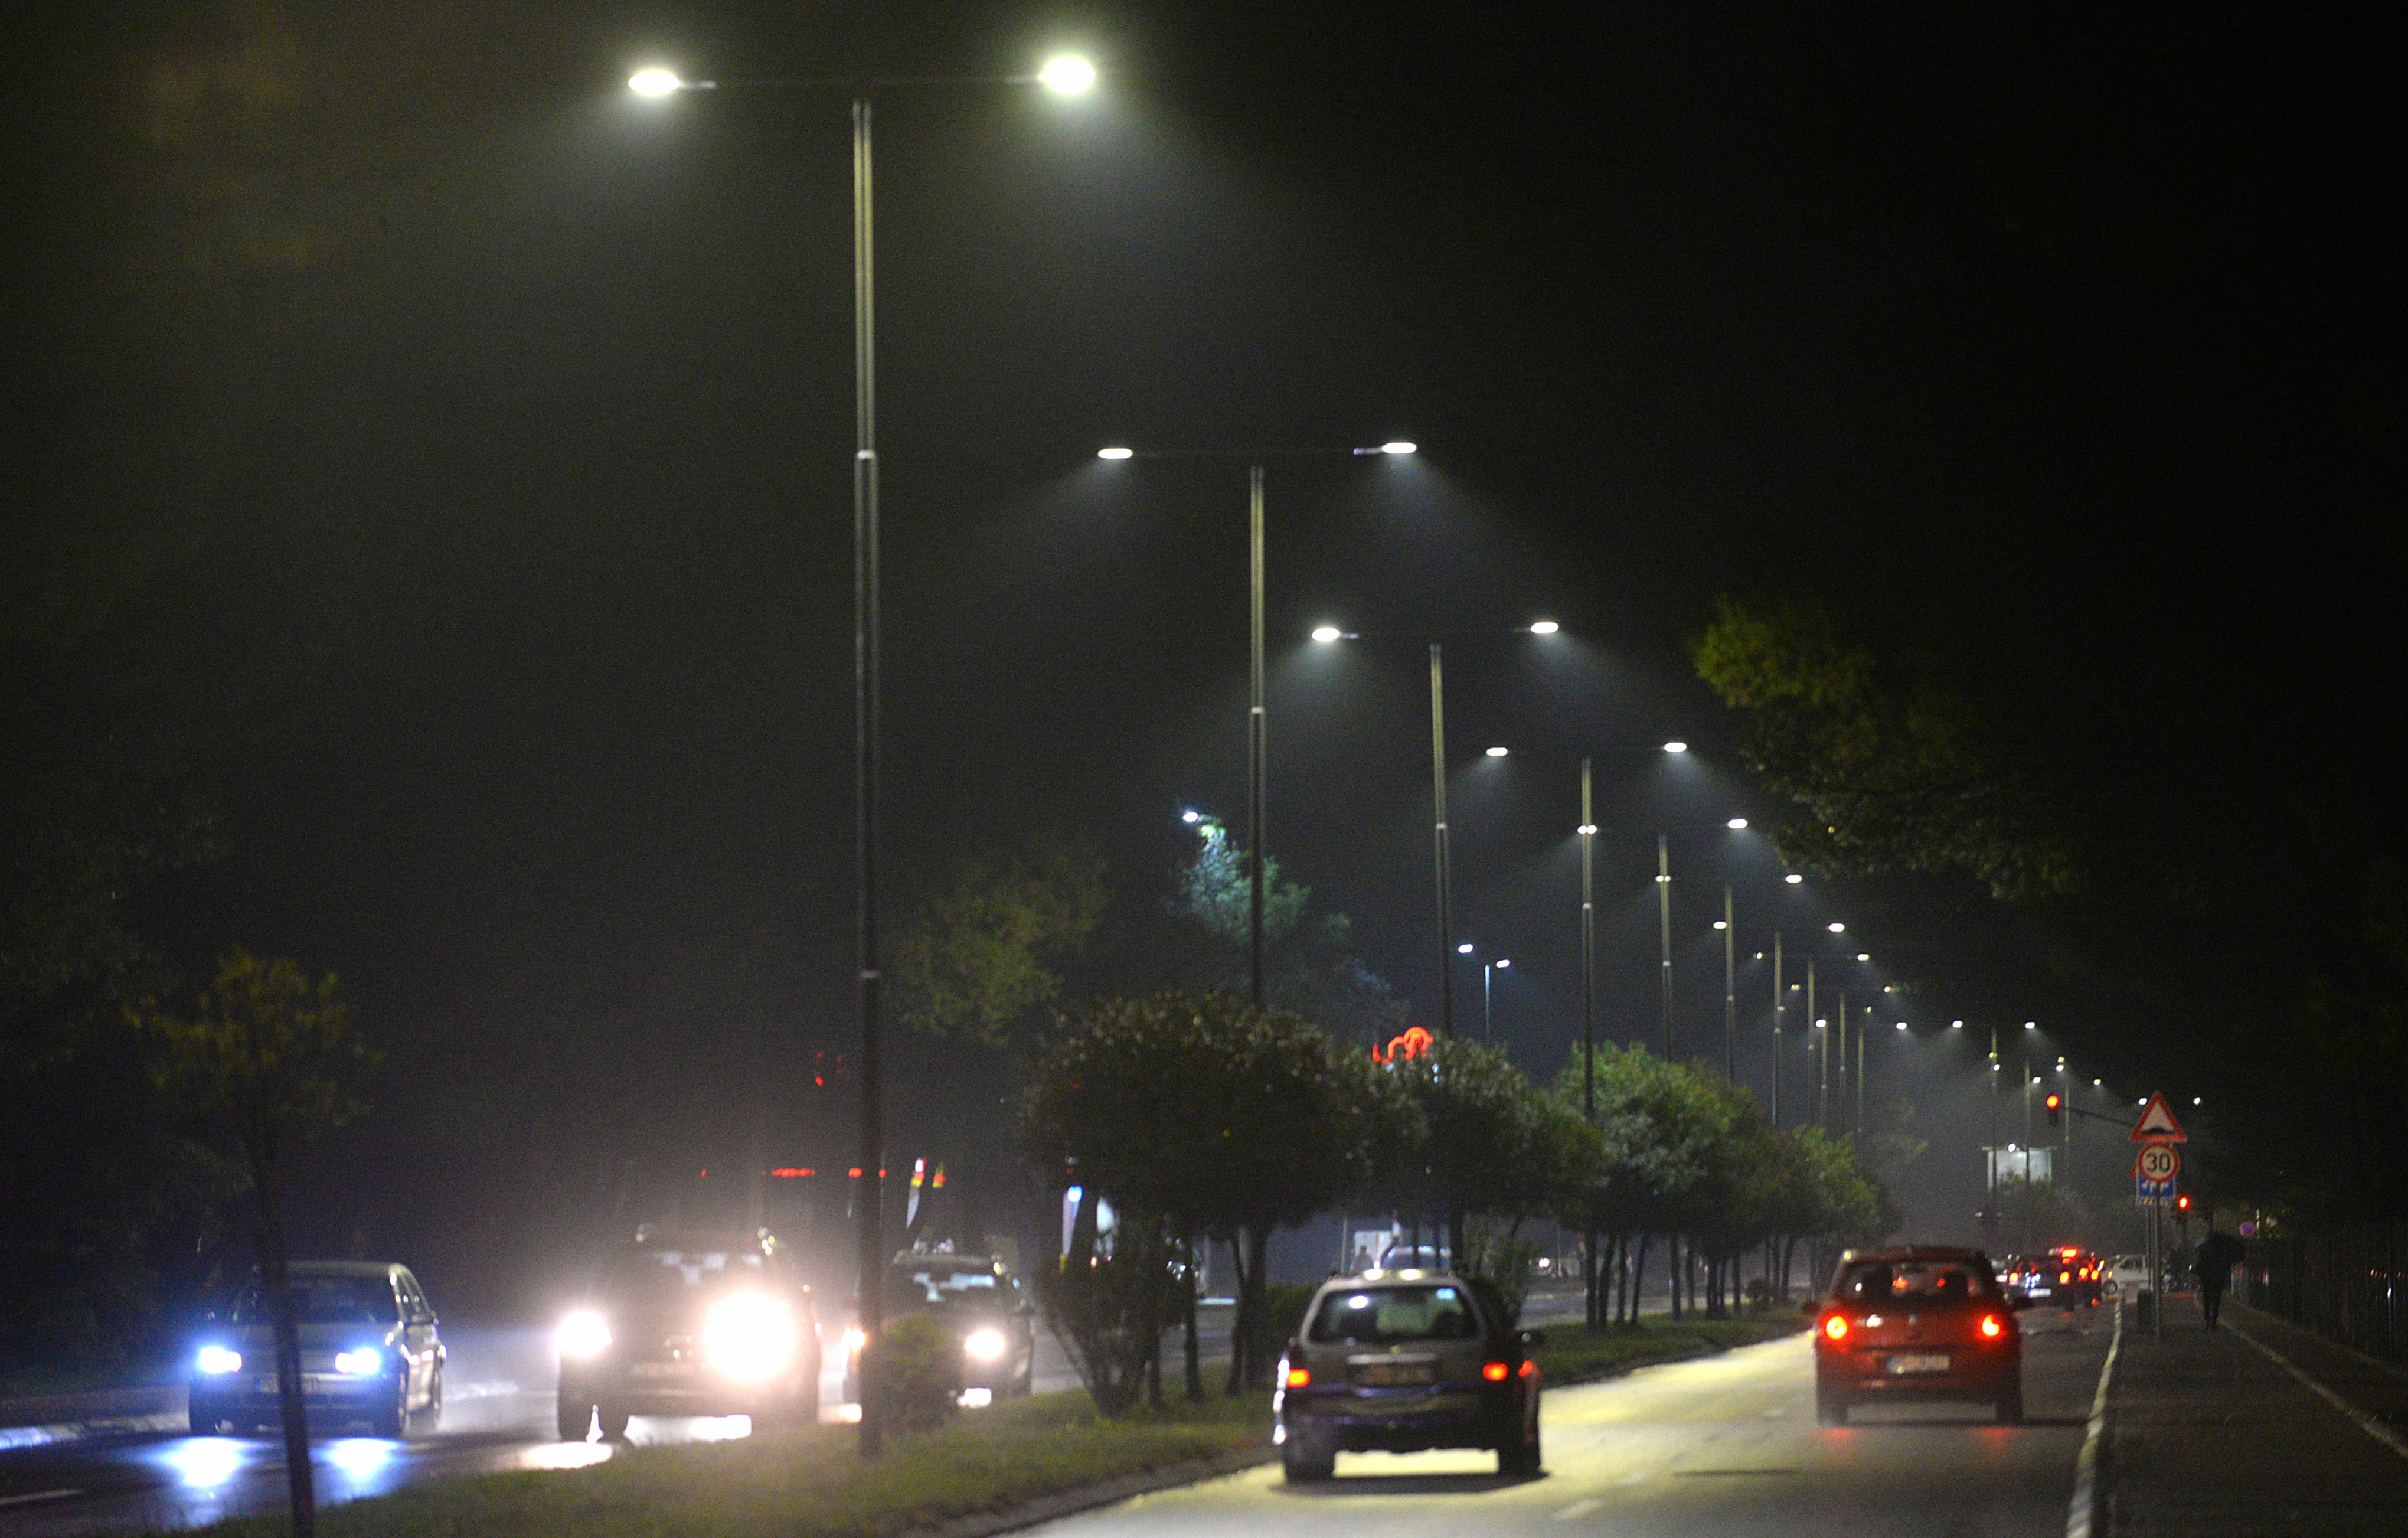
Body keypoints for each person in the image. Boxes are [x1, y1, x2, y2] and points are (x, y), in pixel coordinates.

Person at [2194, 1227, 2246, 1328]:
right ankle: (2214, 1320)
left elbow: (2199, 1264)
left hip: (2207, 1277)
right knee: (2216, 1299)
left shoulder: (2205, 1249)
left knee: (2207, 1299)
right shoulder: (2223, 1250)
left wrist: (2199, 1273)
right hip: (2219, 1277)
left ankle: (2207, 1319)